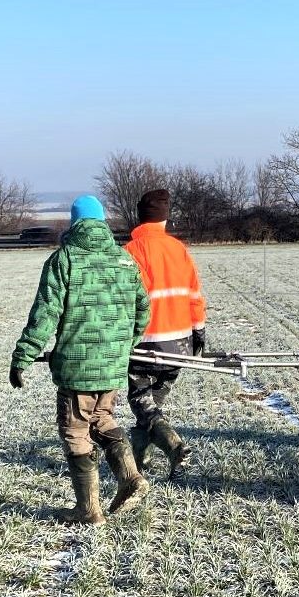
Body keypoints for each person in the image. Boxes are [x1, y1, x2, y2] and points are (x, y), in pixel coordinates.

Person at [9, 195, 150, 525]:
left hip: (77, 367)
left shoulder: (64, 260)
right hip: (114, 364)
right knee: (102, 418)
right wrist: (123, 345)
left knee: (75, 430)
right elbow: (143, 310)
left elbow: (45, 314)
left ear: (74, 224)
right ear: (102, 222)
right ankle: (131, 476)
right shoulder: (125, 261)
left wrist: (23, 357)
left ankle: (89, 509)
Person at [124, 188, 207, 479]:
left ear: (140, 217)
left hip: (145, 344)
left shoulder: (131, 252)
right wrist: (199, 330)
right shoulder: (179, 249)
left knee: (141, 401)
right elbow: (194, 294)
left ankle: (173, 445)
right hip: (180, 346)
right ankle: (138, 459)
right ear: (164, 219)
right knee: (152, 403)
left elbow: (125, 302)